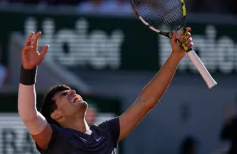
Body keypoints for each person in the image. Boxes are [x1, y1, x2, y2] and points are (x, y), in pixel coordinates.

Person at [18, 28, 193, 154]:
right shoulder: (55, 139)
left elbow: (146, 101)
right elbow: (29, 116)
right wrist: (28, 70)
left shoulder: (106, 133)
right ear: (56, 115)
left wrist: (176, 56)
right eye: (64, 94)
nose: (72, 92)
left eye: (70, 90)